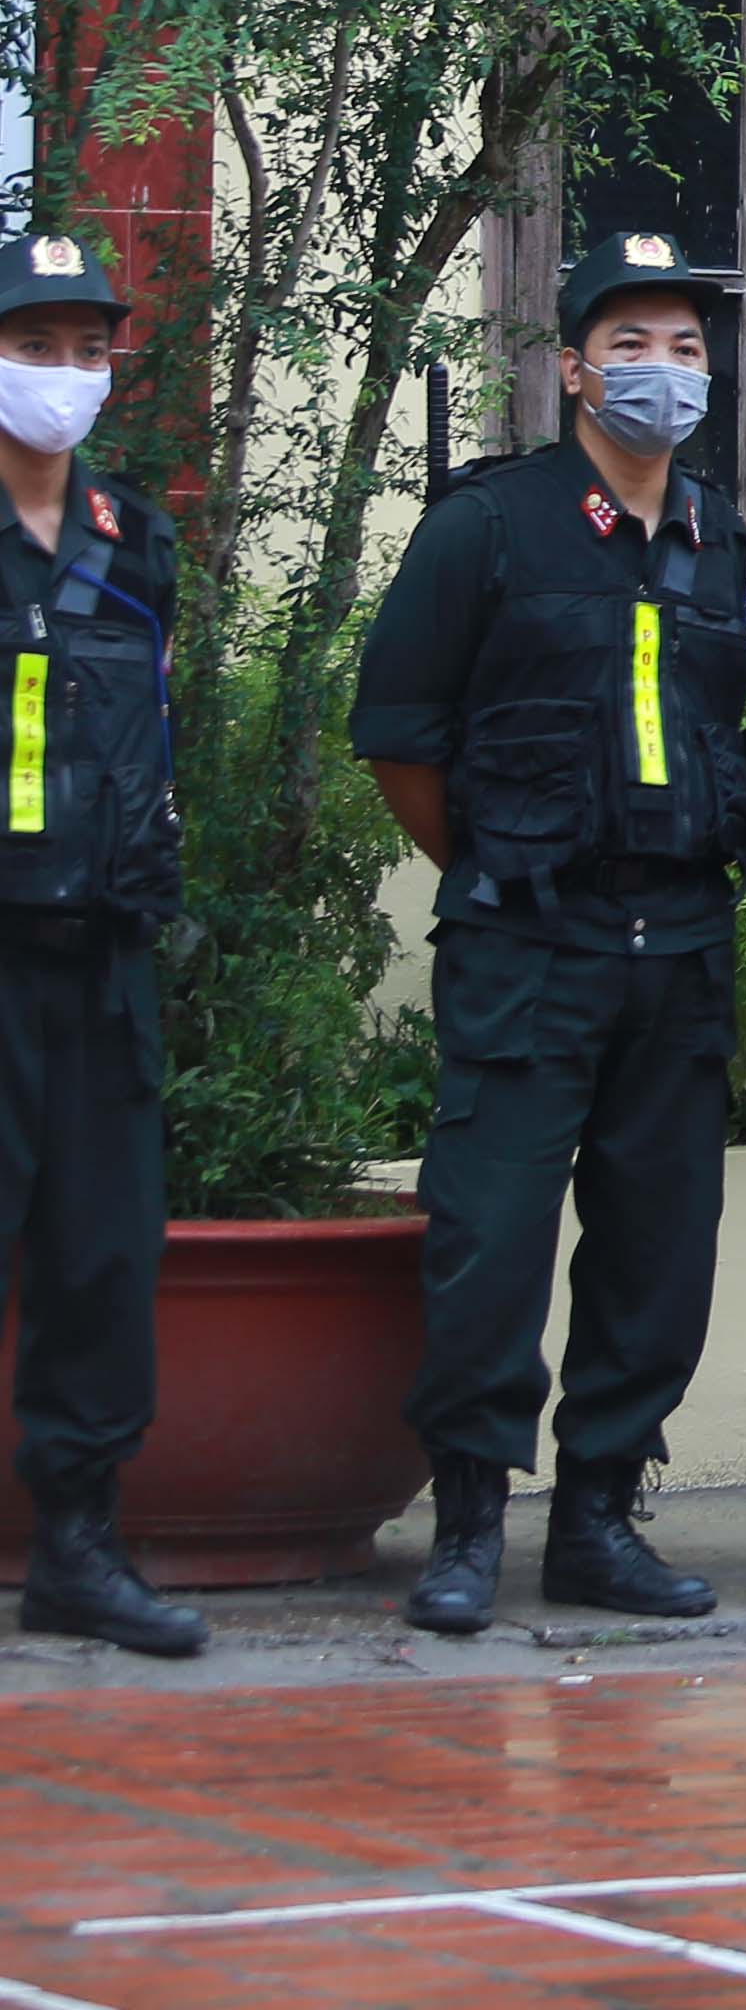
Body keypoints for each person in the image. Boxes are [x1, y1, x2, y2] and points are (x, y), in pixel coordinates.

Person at [350, 228, 743, 1640]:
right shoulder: (488, 527)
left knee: (658, 1249)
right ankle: (466, 1526)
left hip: (681, 946)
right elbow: (400, 739)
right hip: (531, 943)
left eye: (685, 346)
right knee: (493, 1239)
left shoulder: (719, 534)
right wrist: (507, 866)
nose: (661, 370)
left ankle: (598, 1520)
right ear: (574, 367)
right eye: (629, 343)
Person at [0, 239, 199, 1658]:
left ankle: (79, 1546)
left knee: (99, 1260)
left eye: (87, 347)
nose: (66, 373)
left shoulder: (137, 540)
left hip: (103, 954)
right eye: (38, 344)